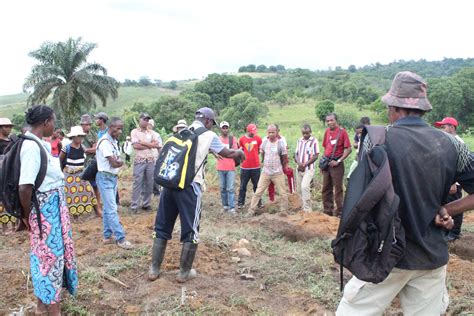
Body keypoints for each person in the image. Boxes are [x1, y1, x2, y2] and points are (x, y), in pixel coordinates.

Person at [336, 71, 474, 315]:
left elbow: (361, 199)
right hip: (431, 258)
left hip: (385, 255)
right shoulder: (452, 145)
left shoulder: (377, 141)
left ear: (393, 106)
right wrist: (446, 209)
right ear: (423, 109)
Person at [148, 107, 245, 282]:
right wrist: (239, 153)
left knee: (162, 226)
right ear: (207, 121)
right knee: (191, 229)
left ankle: (154, 270)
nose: (211, 126)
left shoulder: (179, 133)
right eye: (211, 123)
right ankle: (184, 272)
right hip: (190, 187)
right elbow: (229, 153)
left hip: (169, 185)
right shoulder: (209, 136)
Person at [18, 105, 77, 315]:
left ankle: (42, 307)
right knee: (49, 259)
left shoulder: (39, 143)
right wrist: (27, 217)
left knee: (49, 258)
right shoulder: (31, 147)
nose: (54, 125)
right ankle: (53, 311)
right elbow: (25, 187)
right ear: (45, 122)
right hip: (45, 214)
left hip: (51, 211)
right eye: (53, 121)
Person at [96, 117, 133, 249]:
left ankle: (107, 236)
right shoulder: (105, 142)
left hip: (112, 177)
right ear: (111, 128)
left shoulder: (113, 141)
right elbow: (114, 162)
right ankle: (120, 238)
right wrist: (120, 162)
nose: (120, 131)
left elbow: (117, 161)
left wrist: (119, 162)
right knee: (112, 209)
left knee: (108, 208)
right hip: (105, 177)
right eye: (118, 128)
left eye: (121, 128)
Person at [247, 124, 289, 216]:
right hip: (266, 172)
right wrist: (264, 163)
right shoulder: (264, 141)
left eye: (273, 132)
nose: (271, 134)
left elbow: (284, 158)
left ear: (277, 132)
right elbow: (262, 153)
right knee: (258, 192)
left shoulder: (280, 143)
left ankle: (283, 212)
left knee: (283, 193)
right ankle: (251, 211)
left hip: (277, 173)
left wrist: (283, 167)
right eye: (269, 132)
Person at [434, 117, 464, 241]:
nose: (441, 129)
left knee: (455, 206)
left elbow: (459, 165)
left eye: (444, 126)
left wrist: (454, 183)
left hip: (454, 182)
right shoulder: (448, 140)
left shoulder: (457, 142)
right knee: (445, 204)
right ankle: (446, 231)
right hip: (447, 180)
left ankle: (455, 233)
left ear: (451, 127)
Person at [59, 126, 97, 218]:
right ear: (73, 137)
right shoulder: (66, 148)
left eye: (81, 136)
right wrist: (61, 172)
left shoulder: (82, 147)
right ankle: (75, 215)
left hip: (81, 174)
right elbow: (60, 160)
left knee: (89, 191)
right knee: (72, 194)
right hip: (69, 174)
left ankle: (96, 210)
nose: (80, 138)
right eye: (78, 136)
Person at [321, 113, 351, 217]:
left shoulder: (342, 132)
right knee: (325, 188)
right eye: (328, 121)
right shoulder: (327, 131)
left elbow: (348, 149)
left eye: (331, 120)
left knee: (338, 189)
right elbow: (326, 147)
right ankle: (327, 211)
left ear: (336, 120)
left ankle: (339, 213)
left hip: (337, 165)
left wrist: (338, 161)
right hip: (327, 164)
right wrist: (322, 164)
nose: (329, 122)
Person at [130, 113, 161, 213]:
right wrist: (150, 145)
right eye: (144, 119)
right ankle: (134, 205)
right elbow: (136, 146)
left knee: (149, 183)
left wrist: (143, 142)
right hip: (140, 160)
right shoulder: (134, 132)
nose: (146, 121)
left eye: (147, 120)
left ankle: (146, 204)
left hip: (150, 160)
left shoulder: (151, 132)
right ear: (140, 120)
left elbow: (157, 144)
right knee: (137, 183)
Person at [80, 114, 102, 217]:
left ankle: (98, 207)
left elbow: (96, 148)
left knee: (95, 186)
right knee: (80, 188)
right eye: (85, 124)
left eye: (89, 124)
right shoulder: (77, 134)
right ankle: (80, 210)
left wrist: (86, 150)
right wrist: (90, 149)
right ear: (82, 125)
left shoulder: (93, 134)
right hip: (80, 164)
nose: (88, 126)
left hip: (92, 163)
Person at [294, 124, 319, 212]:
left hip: (309, 169)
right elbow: (296, 154)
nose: (305, 135)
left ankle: (308, 209)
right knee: (299, 189)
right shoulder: (299, 140)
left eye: (307, 133)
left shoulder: (314, 141)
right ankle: (302, 207)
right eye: (303, 133)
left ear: (310, 132)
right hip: (299, 168)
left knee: (305, 187)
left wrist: (305, 164)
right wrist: (299, 163)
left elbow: (316, 155)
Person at [267, 124, 295, 201]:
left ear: (278, 131)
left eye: (275, 131)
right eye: (271, 132)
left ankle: (293, 192)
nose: (273, 133)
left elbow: (285, 153)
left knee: (290, 172)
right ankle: (271, 199)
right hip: (273, 164)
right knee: (271, 180)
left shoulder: (282, 139)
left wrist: (286, 164)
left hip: (281, 163)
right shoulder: (266, 139)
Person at [237, 124, 262, 209]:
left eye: (254, 132)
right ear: (247, 131)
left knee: (257, 186)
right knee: (243, 186)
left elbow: (259, 150)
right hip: (245, 167)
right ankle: (241, 203)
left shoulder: (258, 139)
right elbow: (240, 151)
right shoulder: (241, 139)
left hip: (256, 167)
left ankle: (259, 202)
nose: (253, 134)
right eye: (252, 132)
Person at [216, 121, 239, 214]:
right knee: (222, 188)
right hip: (220, 167)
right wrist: (215, 154)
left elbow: (235, 151)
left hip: (230, 167)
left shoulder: (232, 139)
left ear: (228, 128)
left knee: (230, 188)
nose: (225, 129)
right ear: (220, 129)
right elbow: (213, 149)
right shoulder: (217, 139)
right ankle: (225, 206)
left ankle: (232, 207)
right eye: (223, 128)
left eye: (226, 127)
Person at [0, 118, 17, 233]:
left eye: (10, 126)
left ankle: (14, 224)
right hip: (1, 173)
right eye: (6, 126)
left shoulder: (12, 141)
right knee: (1, 198)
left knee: (12, 196)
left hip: (11, 172)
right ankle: (4, 226)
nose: (9, 129)